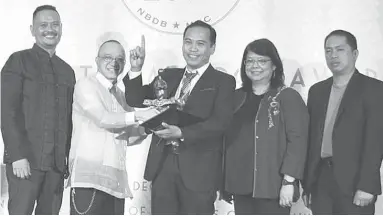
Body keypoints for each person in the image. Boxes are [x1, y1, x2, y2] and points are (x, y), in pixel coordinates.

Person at [124, 20, 236, 214]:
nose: (193, 49)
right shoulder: (168, 75)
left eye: (200, 44)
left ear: (212, 48)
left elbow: (220, 123)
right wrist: (136, 69)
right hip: (163, 166)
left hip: (199, 170)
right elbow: (136, 99)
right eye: (188, 42)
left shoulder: (223, 81)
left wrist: (182, 132)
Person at [67, 39, 158, 215]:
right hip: (89, 179)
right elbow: (103, 118)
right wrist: (140, 115)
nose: (113, 63)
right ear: (96, 60)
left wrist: (151, 125)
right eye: (107, 57)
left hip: (116, 183)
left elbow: (127, 136)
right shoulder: (86, 85)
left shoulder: (122, 96)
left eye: (119, 59)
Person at [1, 5, 75, 214]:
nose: (49, 29)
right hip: (26, 162)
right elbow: (8, 111)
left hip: (56, 167)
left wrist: (66, 162)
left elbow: (69, 121)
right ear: (32, 29)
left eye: (54, 25)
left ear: (61, 28)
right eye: (43, 25)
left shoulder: (67, 71)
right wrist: (17, 155)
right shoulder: (18, 61)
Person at [222, 38, 309, 215]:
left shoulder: (287, 96)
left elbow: (298, 142)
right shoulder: (235, 97)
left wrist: (289, 182)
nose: (255, 66)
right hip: (240, 184)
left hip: (273, 186)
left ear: (274, 66)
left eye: (262, 61)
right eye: (250, 60)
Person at [302, 30, 383, 214]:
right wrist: (308, 184)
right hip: (320, 180)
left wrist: (367, 185)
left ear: (354, 54)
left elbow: (375, 142)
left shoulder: (374, 89)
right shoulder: (317, 91)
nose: (333, 55)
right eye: (328, 51)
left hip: (355, 182)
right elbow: (311, 140)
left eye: (340, 49)